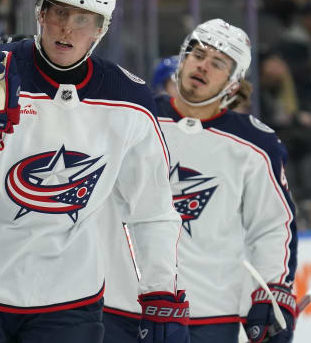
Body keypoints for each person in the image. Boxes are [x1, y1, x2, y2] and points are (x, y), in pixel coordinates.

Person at [0, 0, 189, 343]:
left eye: (83, 18)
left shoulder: (129, 101)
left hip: (67, 301)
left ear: (101, 28)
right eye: (60, 12)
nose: (67, 28)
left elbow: (152, 209)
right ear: (40, 13)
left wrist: (159, 290)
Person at [100, 19, 299, 343]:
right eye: (197, 55)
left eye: (217, 63)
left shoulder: (256, 146)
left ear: (234, 84)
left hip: (207, 316)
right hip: (120, 305)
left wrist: (274, 292)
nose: (202, 66)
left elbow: (273, 226)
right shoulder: (135, 115)